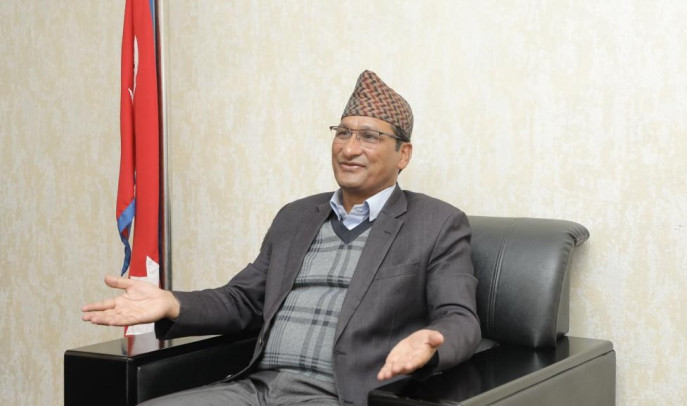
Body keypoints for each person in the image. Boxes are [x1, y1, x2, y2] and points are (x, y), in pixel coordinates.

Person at [82, 70, 482, 406]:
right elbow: (243, 300)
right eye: (343, 133)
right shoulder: (296, 217)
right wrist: (172, 303)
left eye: (370, 136)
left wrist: (430, 344)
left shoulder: (436, 224)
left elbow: (460, 317)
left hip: (338, 395)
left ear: (403, 154)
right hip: (256, 387)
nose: (349, 148)